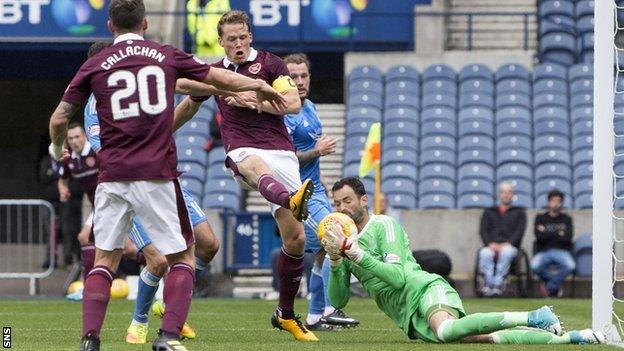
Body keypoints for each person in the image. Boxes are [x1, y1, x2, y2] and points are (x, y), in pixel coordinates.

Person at [48, 1, 285, 350]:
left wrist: (57, 152)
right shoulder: (165, 54)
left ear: (110, 25)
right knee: (181, 258)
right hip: (156, 172)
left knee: (104, 261)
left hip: (112, 177)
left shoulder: (95, 64)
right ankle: (169, 335)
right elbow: (216, 74)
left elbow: (58, 120)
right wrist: (260, 87)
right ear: (145, 23)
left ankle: (90, 340)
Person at [321, 176, 603, 345]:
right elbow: (339, 301)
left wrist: (355, 253)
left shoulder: (384, 225)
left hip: (424, 290)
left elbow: (397, 278)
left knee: (446, 331)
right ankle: (569, 338)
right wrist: (335, 261)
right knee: (477, 338)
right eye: (337, 204)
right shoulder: (344, 242)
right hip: (405, 315)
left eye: (347, 201)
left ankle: (534, 316)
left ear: (363, 200)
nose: (342, 208)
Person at [210, 10, 318, 341]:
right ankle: (290, 199)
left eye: (243, 37)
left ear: (250, 36)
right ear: (222, 42)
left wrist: (252, 101)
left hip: (281, 151)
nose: (239, 43)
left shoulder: (271, 65)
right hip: (242, 150)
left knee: (296, 240)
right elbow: (188, 97)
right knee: (255, 167)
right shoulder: (215, 73)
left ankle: (285, 314)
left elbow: (292, 104)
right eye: (232, 39)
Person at [282, 53, 358, 330]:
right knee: (335, 237)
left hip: (315, 189)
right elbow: (285, 158)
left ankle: (315, 315)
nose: (300, 82)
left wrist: (321, 174)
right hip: (299, 194)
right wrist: (318, 151)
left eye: (304, 76)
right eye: (293, 77)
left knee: (322, 253)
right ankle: (330, 308)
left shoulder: (310, 107)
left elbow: (308, 157)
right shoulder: (284, 116)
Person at [477, 182, 527, 297]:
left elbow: (519, 232)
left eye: (509, 192)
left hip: (510, 247)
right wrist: (489, 244)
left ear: (513, 195)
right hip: (491, 246)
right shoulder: (489, 212)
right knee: (484, 253)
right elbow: (483, 231)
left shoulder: (520, 212)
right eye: (504, 192)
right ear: (499, 194)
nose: (506, 195)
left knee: (506, 252)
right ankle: (488, 285)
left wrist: (508, 244)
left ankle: (498, 285)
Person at [531, 189, 575, 298]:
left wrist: (546, 232)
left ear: (561, 203)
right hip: (544, 251)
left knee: (571, 265)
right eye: (553, 200)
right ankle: (555, 286)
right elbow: (539, 237)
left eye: (558, 201)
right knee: (534, 265)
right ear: (548, 202)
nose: (556, 203)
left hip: (561, 251)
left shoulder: (567, 219)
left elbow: (567, 238)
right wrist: (558, 233)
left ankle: (550, 286)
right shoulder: (540, 217)